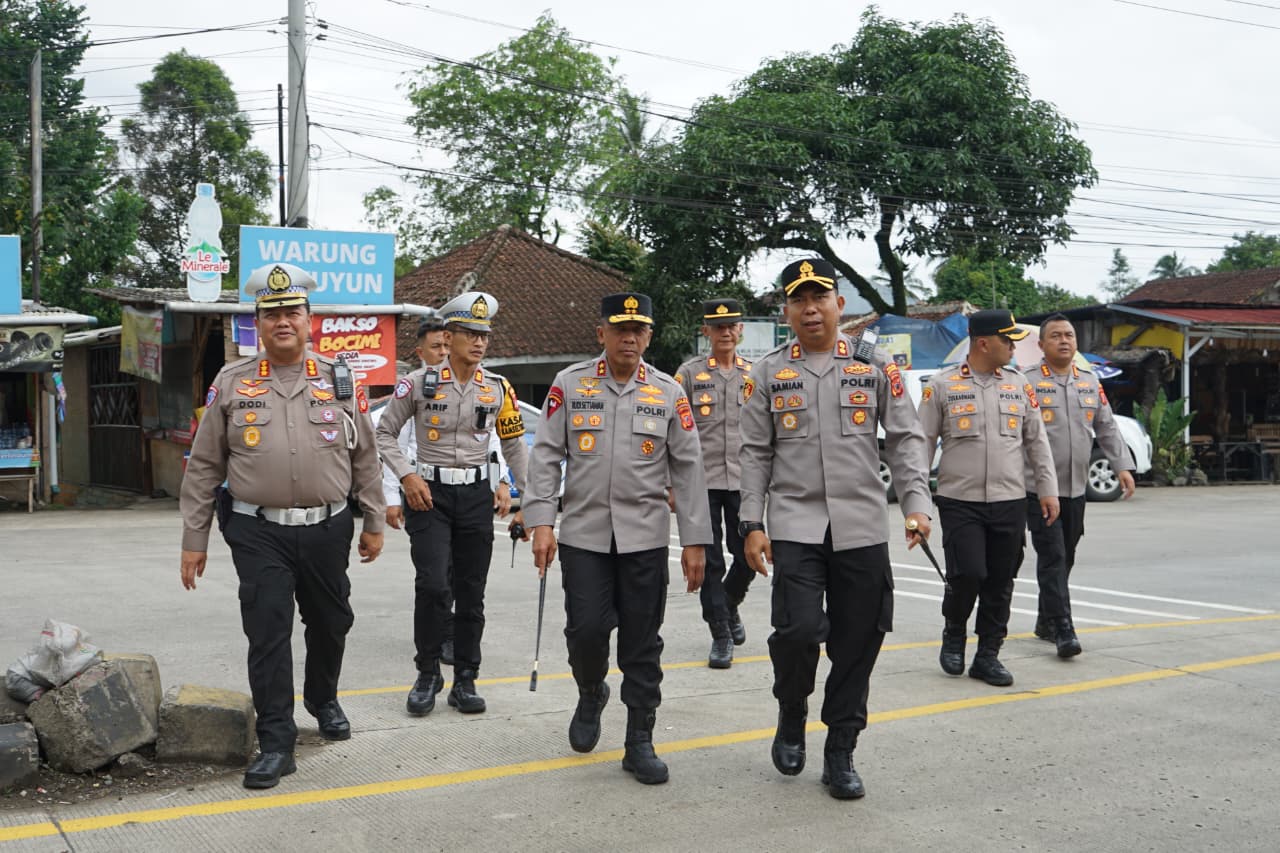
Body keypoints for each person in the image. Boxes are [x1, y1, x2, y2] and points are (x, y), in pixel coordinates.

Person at [179, 262, 385, 790]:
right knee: (267, 632)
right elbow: (205, 465)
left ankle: (323, 696)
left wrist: (374, 520)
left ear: (310, 319)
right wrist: (194, 539)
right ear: (257, 323)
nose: (283, 321)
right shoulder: (231, 382)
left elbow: (365, 455)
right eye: (271, 314)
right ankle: (276, 741)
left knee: (331, 620)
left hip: (328, 527)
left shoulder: (340, 379)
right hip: (256, 529)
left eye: (292, 311)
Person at [739, 258, 933, 801]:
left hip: (861, 526)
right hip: (797, 527)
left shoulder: (875, 366)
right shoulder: (768, 372)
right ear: (786, 310)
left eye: (818, 297)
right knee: (797, 631)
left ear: (838, 305)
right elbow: (753, 454)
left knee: (858, 643)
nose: (809, 308)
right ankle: (792, 707)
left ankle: (841, 748)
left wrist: (917, 505)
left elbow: (906, 439)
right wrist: (752, 523)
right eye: (798, 299)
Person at [524, 292, 712, 786]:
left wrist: (696, 540)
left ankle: (639, 740)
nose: (629, 337)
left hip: (645, 538)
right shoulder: (569, 384)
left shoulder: (669, 392)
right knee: (585, 631)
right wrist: (541, 521)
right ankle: (591, 691)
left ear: (648, 336)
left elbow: (689, 469)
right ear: (601, 332)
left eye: (639, 330)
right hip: (585, 536)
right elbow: (545, 456)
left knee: (642, 642)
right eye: (620, 328)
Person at [375, 291, 527, 718]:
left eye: (484, 335)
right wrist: (406, 476)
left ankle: (465, 679)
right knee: (433, 586)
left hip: (476, 496)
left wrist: (528, 500)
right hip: (430, 496)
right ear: (450, 335)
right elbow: (384, 433)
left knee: (471, 592)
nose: (478, 343)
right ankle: (427, 674)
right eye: (469, 334)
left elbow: (514, 444)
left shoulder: (498, 389)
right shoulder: (419, 383)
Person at [918, 308, 1059, 689]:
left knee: (1000, 580)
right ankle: (954, 632)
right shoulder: (943, 385)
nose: (1013, 346)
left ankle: (988, 655)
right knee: (968, 574)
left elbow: (1037, 442)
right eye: (1006, 339)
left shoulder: (1018, 384)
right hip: (958, 499)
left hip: (1009, 499)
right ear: (984, 342)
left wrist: (1046, 490)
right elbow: (921, 445)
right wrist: (917, 505)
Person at [1027, 314, 1136, 657]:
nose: (1064, 341)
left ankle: (1046, 619)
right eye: (1056, 336)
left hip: (1075, 488)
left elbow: (1105, 427)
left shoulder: (1088, 381)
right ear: (1041, 345)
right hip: (1039, 489)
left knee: (1067, 554)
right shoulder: (1026, 381)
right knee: (1053, 556)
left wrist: (1123, 466)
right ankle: (1064, 630)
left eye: (1069, 335)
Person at [674, 298, 753, 668]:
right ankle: (721, 633)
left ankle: (731, 601)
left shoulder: (755, 374)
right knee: (709, 560)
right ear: (706, 331)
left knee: (749, 554)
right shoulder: (687, 376)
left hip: (744, 481)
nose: (724, 332)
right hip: (700, 483)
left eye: (731, 326)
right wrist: (670, 483)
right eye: (716, 327)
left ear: (740, 330)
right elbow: (672, 433)